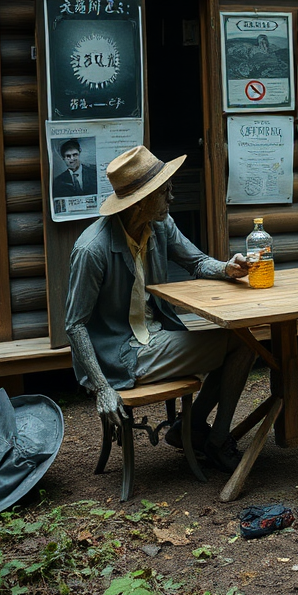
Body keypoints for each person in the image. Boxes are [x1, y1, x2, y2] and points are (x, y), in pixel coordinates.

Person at [64, 145, 255, 473]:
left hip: (156, 337)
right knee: (242, 343)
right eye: (164, 191)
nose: (172, 197)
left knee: (241, 339)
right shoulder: (92, 249)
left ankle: (190, 428)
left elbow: (195, 261)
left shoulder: (159, 226)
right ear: (141, 199)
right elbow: (75, 325)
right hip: (121, 355)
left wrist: (227, 268)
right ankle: (214, 438)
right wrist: (103, 388)